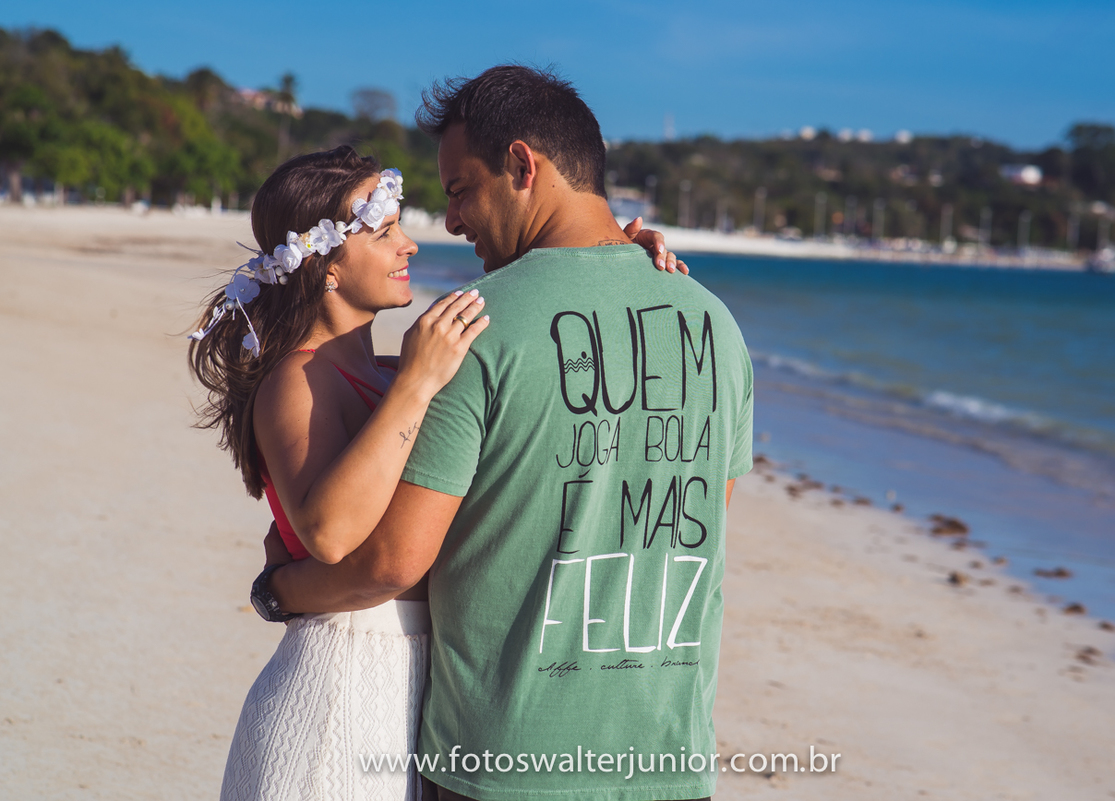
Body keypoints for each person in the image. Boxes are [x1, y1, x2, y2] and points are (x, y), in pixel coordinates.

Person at [261, 66, 754, 801]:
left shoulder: (473, 329)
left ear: (523, 165)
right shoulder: (716, 323)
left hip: (508, 762)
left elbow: (394, 558)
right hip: (667, 759)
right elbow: (706, 508)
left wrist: (282, 590)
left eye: (459, 190)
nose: (450, 223)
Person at [192, 147, 685, 801]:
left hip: (414, 692)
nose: (410, 246)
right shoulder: (299, 379)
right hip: (336, 693)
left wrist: (615, 254)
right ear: (325, 265)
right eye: (385, 231)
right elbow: (331, 533)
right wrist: (419, 382)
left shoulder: (390, 372)